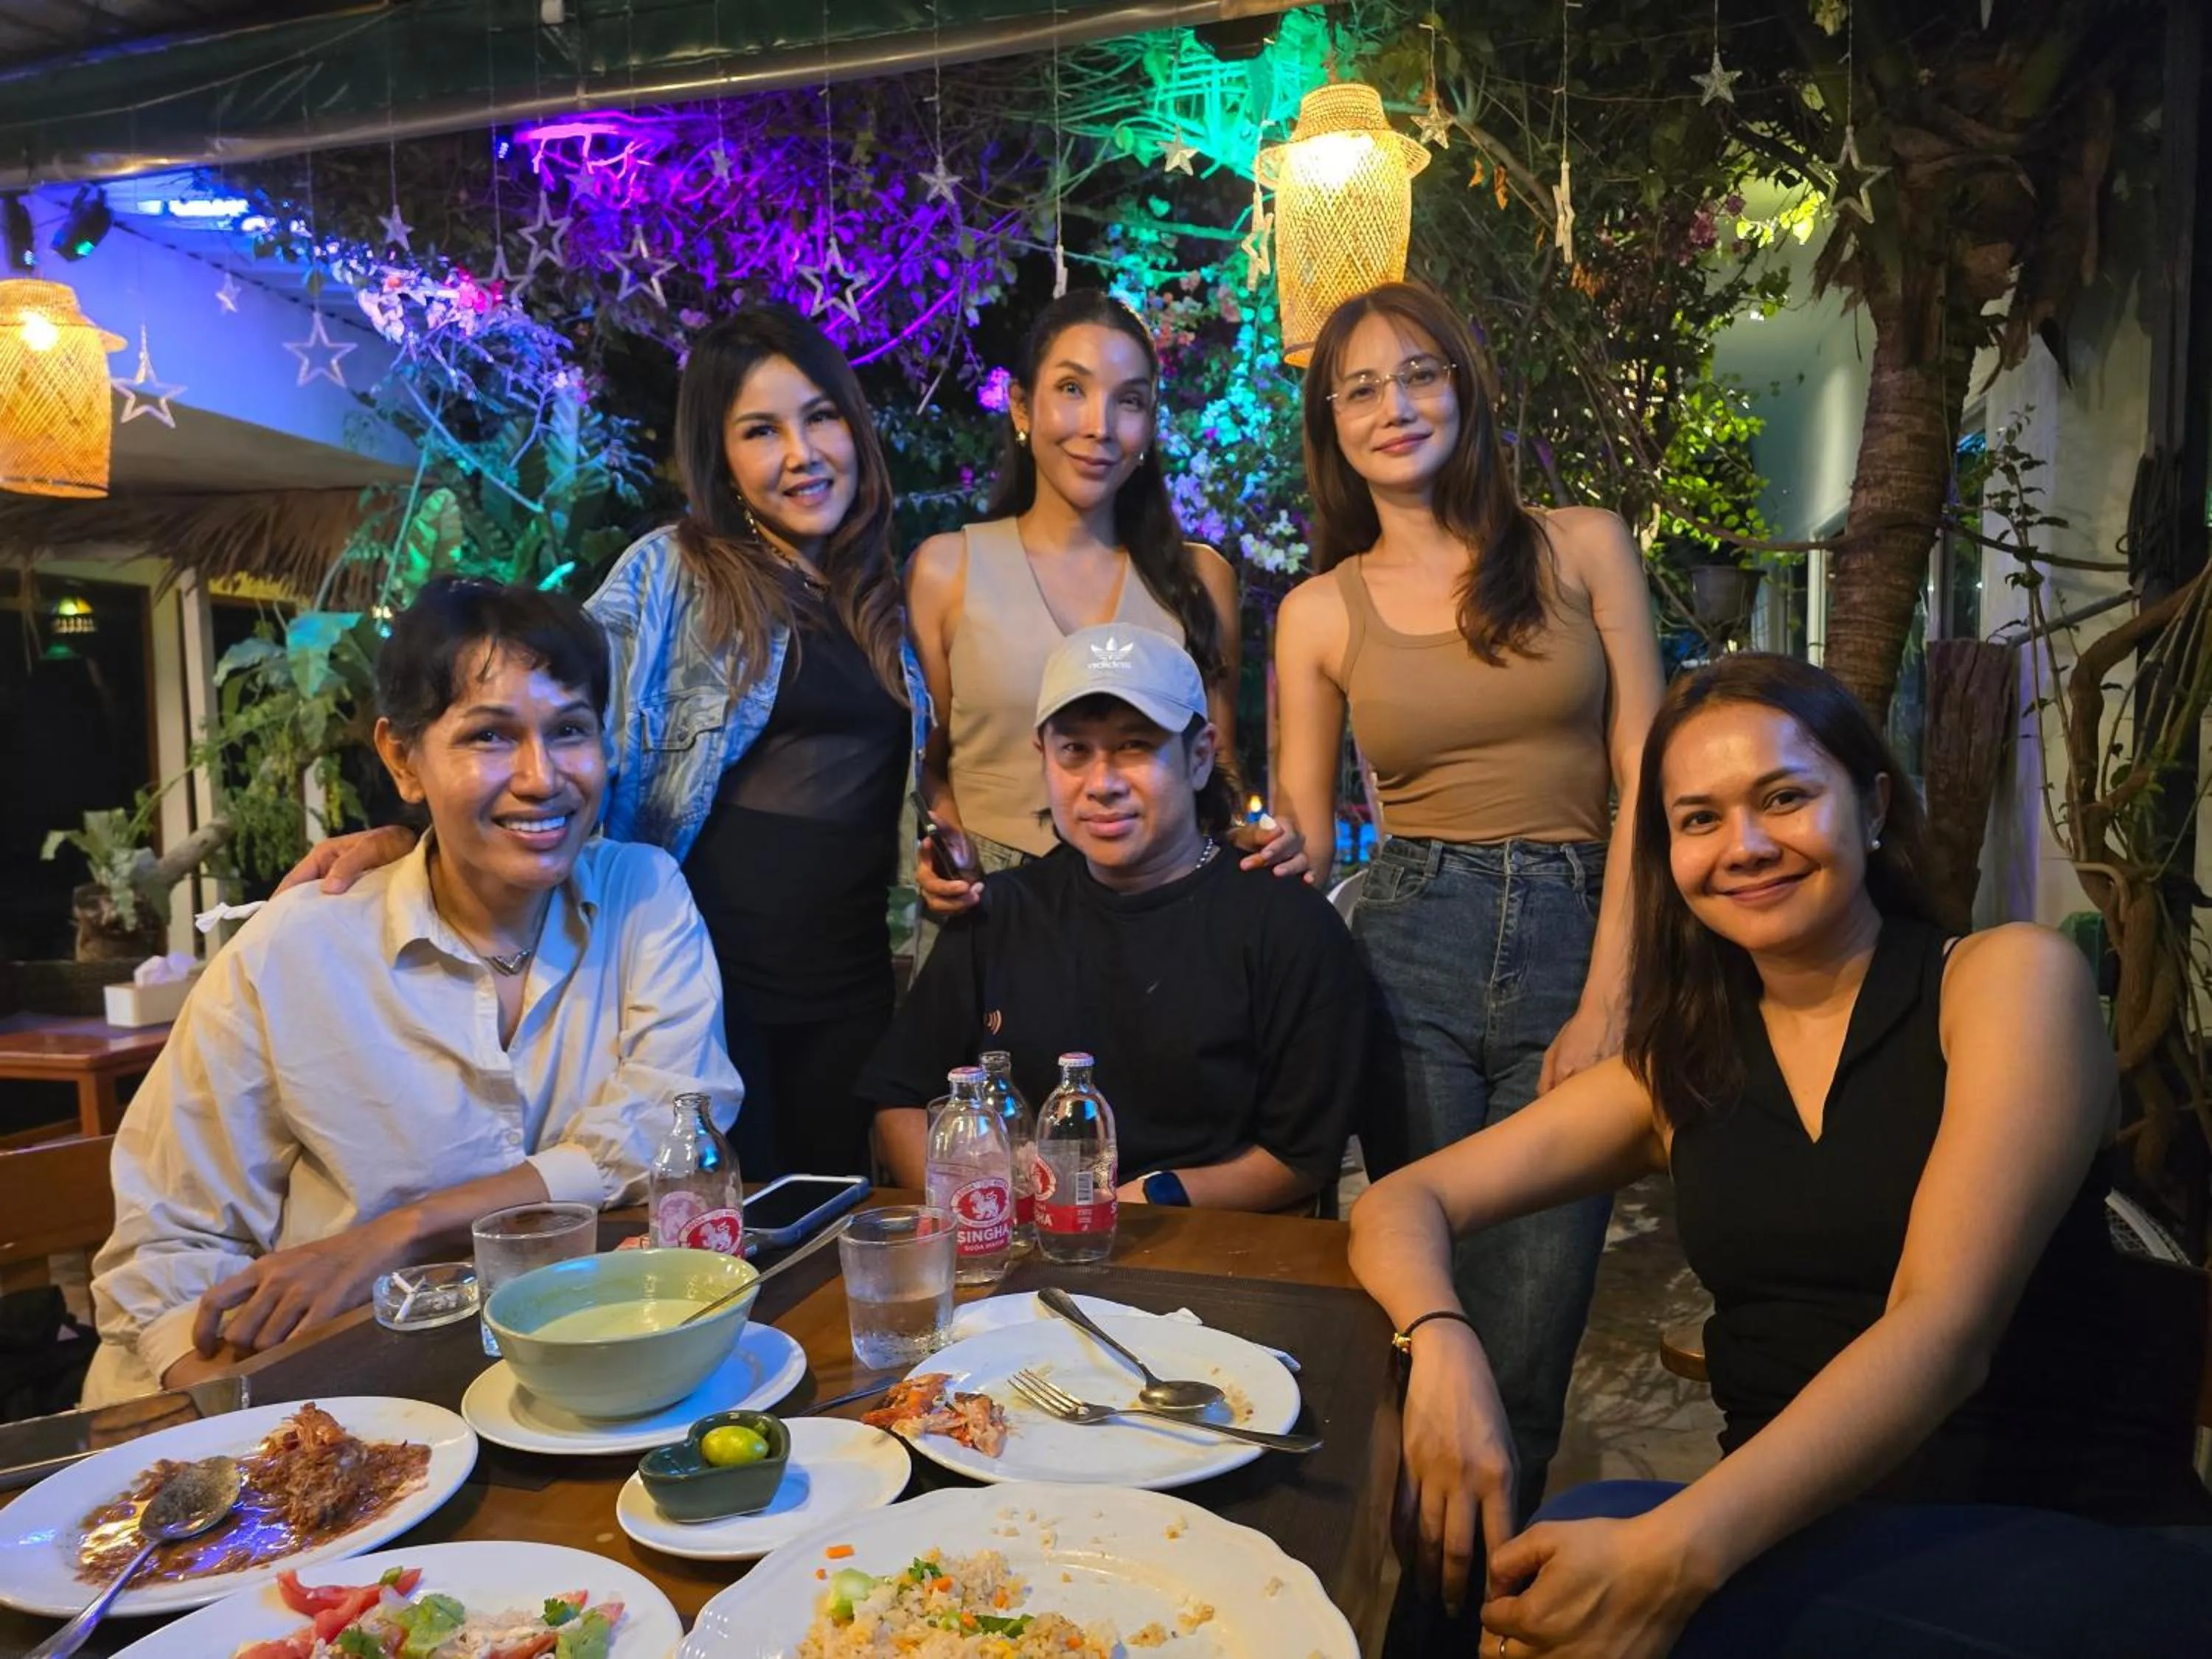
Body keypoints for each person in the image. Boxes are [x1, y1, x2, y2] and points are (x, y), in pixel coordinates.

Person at [1349, 653, 2212, 1659]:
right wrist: (1444, 1344)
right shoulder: (1681, 1066)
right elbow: (1404, 1201)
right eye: (1700, 818)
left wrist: (1676, 1554)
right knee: (1534, 1581)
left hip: (2063, 1534)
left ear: (1874, 804)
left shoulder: (2008, 981)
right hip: (1797, 1535)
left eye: (1786, 797)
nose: (1746, 845)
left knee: (1558, 1596)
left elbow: (1941, 1333)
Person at [280, 304, 929, 1180]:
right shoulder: (675, 570)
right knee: (716, 1235)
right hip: (701, 982)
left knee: (827, 1227)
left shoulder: (884, 600)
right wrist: (415, 836)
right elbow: (535, 711)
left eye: (821, 417)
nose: (802, 453)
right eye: (760, 431)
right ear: (724, 460)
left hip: (849, 982)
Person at [86, 579, 740, 1406]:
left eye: (569, 731)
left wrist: (399, 1231)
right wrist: (252, 1436)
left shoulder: (644, 895)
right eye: (490, 737)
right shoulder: (296, 952)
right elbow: (166, 1240)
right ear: (402, 758)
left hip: (569, 1382)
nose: (543, 777)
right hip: (327, 1391)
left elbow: (668, 1122)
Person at [1273, 279, 1664, 1507]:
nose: (1396, 406)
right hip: (1408, 954)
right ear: (1331, 426)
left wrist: (1613, 995)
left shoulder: (1582, 544)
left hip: (1577, 939)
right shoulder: (1315, 612)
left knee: (1534, 1339)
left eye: (1420, 374)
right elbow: (1295, 831)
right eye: (1361, 389)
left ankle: (1498, 1608)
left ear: (1467, 385)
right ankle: (1416, 1604)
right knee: (1430, 1313)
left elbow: (1647, 781)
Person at [861, 625, 1367, 1212]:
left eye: (1135, 746)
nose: (1101, 785)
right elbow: (899, 1095)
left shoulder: (1284, 922)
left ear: (1199, 757)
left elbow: (1302, 1157)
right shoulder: (998, 913)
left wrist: (1145, 1203)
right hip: (1018, 1259)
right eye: (1075, 750)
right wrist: (974, 1216)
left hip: (1208, 1252)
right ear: (1043, 757)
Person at [906, 289, 1301, 945]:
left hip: (1161, 911)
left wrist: (1261, 839)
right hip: (994, 908)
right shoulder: (948, 569)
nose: (1100, 425)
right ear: (1022, 407)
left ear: (1149, 426)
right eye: (1072, 389)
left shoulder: (1199, 579)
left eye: (1130, 400)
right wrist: (945, 850)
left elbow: (1217, 772)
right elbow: (928, 763)